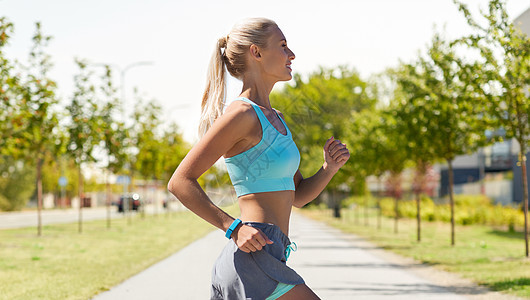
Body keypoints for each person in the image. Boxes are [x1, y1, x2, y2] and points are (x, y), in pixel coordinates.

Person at [167, 17, 350, 300]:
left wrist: (329, 168)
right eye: (283, 46)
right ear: (257, 52)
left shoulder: (277, 120)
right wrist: (232, 228)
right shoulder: (241, 115)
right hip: (251, 256)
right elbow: (180, 181)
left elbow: (297, 197)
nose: (292, 54)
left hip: (273, 252)